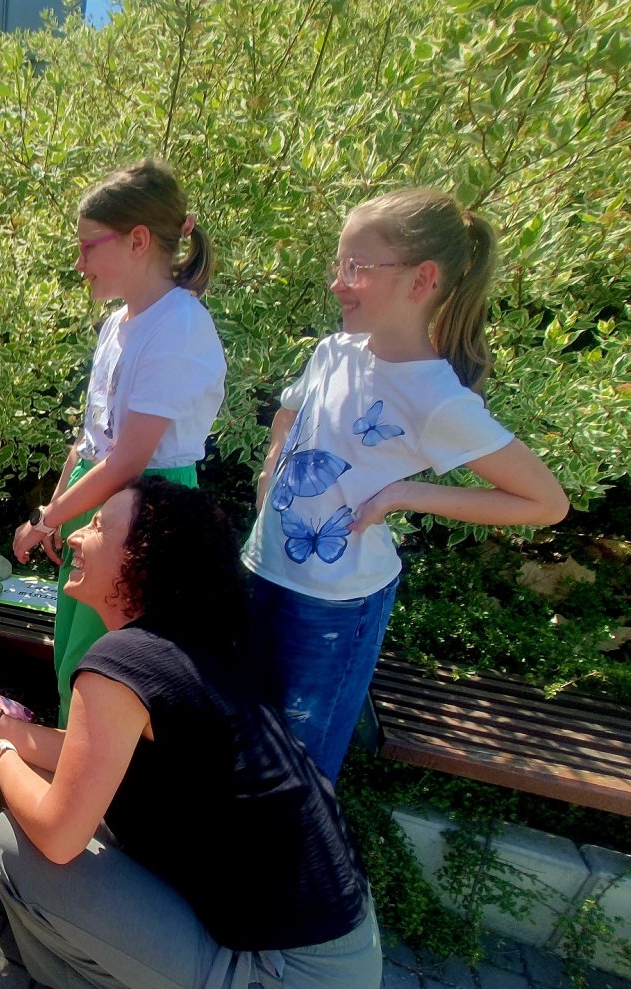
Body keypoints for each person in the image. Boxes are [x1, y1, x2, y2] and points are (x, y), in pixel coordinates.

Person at [0, 478, 382, 989]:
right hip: (341, 948)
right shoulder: (193, 640)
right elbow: (85, 753)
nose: (76, 536)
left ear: (143, 559)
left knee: (12, 845)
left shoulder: (118, 664)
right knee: (70, 803)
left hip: (292, 984)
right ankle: (169, 986)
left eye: (98, 528)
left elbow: (58, 836)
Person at [243, 187, 568, 783]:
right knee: (244, 735)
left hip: (333, 608)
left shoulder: (436, 397)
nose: (338, 283)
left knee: (296, 769)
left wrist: (404, 494)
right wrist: (271, 470)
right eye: (339, 265)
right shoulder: (335, 351)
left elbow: (545, 502)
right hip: (262, 571)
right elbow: (290, 411)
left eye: (357, 268)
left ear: (422, 280)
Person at [11, 161, 226, 723]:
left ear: (137, 241)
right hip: (100, 496)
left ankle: (88, 769)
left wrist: (47, 519)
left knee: (105, 666)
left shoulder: (178, 327)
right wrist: (59, 507)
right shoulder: (119, 322)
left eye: (88, 247)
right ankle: (69, 756)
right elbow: (93, 438)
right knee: (72, 649)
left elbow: (129, 460)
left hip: (146, 509)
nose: (79, 263)